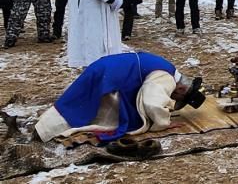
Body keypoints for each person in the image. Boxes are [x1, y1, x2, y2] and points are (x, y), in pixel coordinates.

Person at [34, 51, 205, 143]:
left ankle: (43, 128)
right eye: (177, 97)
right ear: (181, 88)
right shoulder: (167, 78)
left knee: (76, 103)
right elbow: (152, 102)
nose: (173, 98)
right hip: (111, 79)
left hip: (106, 68)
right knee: (89, 113)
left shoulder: (168, 67)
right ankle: (45, 131)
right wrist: (163, 122)